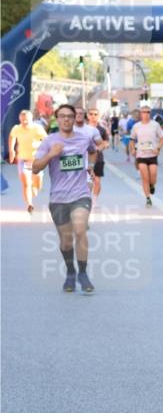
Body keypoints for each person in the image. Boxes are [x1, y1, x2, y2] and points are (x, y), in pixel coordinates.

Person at [31, 104, 98, 293]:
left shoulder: (84, 138)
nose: (67, 119)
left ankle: (83, 273)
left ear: (75, 118)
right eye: (63, 116)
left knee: (80, 230)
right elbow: (35, 168)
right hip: (59, 198)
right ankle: (71, 271)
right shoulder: (49, 141)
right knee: (66, 241)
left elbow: (93, 150)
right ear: (57, 119)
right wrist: (51, 154)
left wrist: (91, 166)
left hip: (81, 194)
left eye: (70, 116)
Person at [8, 110, 48, 213]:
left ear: (31, 119)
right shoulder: (17, 128)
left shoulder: (37, 128)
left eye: (26, 120)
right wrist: (11, 150)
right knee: (26, 183)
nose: (24, 122)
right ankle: (30, 204)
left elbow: (47, 141)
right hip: (22, 159)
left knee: (37, 186)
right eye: (22, 120)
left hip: (36, 160)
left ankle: (35, 188)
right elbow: (12, 136)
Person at [129, 106, 163, 207]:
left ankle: (152, 185)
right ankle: (148, 198)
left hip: (152, 154)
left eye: (148, 112)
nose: (146, 114)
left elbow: (162, 138)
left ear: (150, 113)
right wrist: (133, 149)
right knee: (144, 177)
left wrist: (158, 148)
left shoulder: (155, 125)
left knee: (153, 176)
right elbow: (132, 139)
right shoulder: (136, 126)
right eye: (144, 112)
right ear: (141, 114)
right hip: (141, 155)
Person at [85, 108, 109, 202]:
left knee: (97, 181)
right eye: (91, 114)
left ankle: (94, 201)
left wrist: (103, 146)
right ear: (87, 115)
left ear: (98, 116)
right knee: (86, 181)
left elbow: (106, 142)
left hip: (98, 158)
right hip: (85, 159)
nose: (93, 116)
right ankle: (86, 199)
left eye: (95, 114)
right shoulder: (83, 129)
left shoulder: (102, 129)